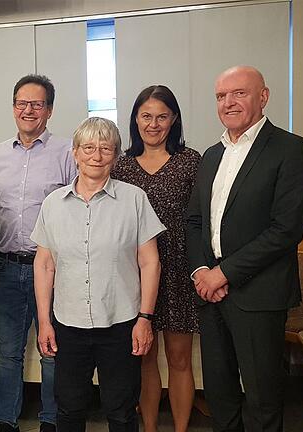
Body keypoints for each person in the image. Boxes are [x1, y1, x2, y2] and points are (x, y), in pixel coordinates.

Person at [185, 65, 303, 432]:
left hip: (259, 294)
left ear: (264, 96)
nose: (229, 102)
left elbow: (286, 229)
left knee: (263, 398)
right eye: (221, 96)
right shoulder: (211, 155)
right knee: (220, 394)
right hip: (210, 296)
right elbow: (194, 222)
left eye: (239, 93)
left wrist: (223, 273)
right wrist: (201, 273)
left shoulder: (289, 148)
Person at [34, 117, 165, 431]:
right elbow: (45, 265)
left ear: (116, 155)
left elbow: (150, 263)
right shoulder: (53, 204)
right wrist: (44, 322)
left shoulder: (134, 200)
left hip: (120, 324)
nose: (96, 156)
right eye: (88, 148)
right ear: (75, 153)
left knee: (120, 411)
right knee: (68, 410)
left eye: (106, 148)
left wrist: (144, 319)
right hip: (68, 324)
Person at [0, 74, 76, 432]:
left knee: (51, 350)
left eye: (37, 104)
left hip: (53, 269)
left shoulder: (67, 152)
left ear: (49, 110)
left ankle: (50, 420)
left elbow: (73, 209)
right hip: (7, 266)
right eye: (22, 103)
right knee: (7, 352)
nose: (28, 110)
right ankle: (6, 421)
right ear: (13, 108)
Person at [110, 85, 201, 432]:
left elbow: (201, 219)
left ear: (174, 119)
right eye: (146, 116)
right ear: (135, 119)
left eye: (162, 116)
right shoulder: (122, 166)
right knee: (144, 359)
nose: (153, 123)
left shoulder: (190, 161)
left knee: (179, 359)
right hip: (136, 274)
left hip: (179, 270)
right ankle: (148, 428)